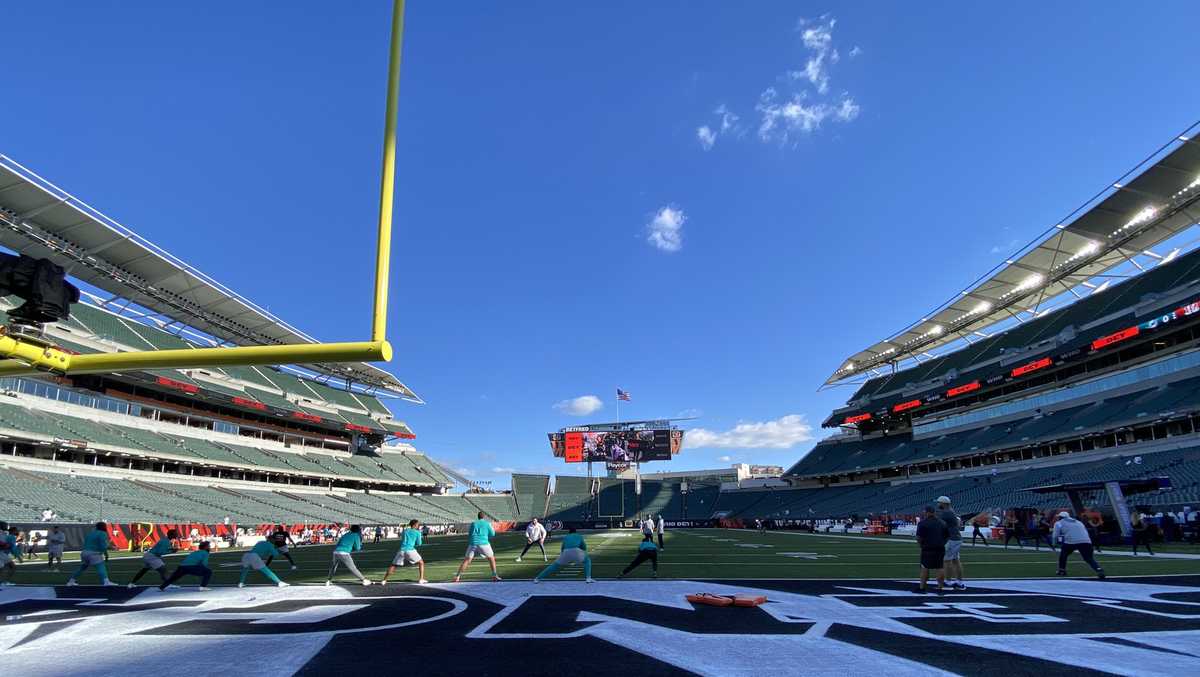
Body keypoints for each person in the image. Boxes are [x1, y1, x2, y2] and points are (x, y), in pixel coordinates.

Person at [1053, 511, 1105, 579]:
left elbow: (1055, 535)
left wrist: (1054, 544)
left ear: (1060, 517)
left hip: (1071, 541)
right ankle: (1099, 569)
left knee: (1063, 555)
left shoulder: (1059, 523)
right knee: (1089, 558)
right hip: (1086, 541)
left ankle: (1062, 570)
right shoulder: (1078, 522)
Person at [454, 512, 501, 583]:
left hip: (473, 543)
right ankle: (494, 576)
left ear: (478, 517)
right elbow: (493, 534)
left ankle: (457, 576)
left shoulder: (474, 523)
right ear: (484, 517)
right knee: (491, 558)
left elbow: (470, 534)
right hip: (484, 543)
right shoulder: (487, 523)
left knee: (467, 560)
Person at [67, 522, 116, 586]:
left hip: (84, 553)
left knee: (82, 568)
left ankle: (71, 581)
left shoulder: (90, 533)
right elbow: (103, 546)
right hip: (94, 553)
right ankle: (106, 581)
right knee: (101, 566)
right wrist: (112, 548)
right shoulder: (102, 533)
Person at [916, 506, 949, 594]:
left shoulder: (923, 523)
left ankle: (922, 587)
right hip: (940, 547)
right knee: (940, 567)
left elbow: (919, 537)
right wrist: (942, 543)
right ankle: (940, 587)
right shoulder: (942, 523)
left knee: (925, 567)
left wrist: (921, 545)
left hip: (927, 548)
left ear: (927, 512)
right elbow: (947, 537)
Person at [382, 519, 426, 584]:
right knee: (421, 562)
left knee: (393, 565)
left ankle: (384, 580)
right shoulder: (417, 532)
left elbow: (403, 539)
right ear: (415, 525)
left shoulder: (405, 531)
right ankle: (421, 579)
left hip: (401, 550)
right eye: (418, 524)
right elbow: (419, 543)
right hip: (410, 550)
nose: (418, 526)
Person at [936, 496, 965, 590]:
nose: (938, 504)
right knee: (955, 560)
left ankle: (948, 582)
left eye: (939, 502)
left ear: (943, 503)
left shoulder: (946, 513)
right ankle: (959, 582)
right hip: (955, 538)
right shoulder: (950, 511)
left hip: (952, 539)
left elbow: (937, 522)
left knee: (947, 560)